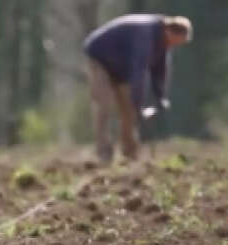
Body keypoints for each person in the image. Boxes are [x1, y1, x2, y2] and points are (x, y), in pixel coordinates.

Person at [82, 14, 193, 163]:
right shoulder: (145, 36)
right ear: (170, 32)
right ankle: (104, 153)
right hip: (100, 58)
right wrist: (139, 102)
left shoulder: (163, 44)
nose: (175, 46)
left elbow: (160, 71)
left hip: (121, 66)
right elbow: (139, 70)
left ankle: (130, 153)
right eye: (177, 41)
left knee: (129, 111)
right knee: (104, 104)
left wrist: (160, 97)